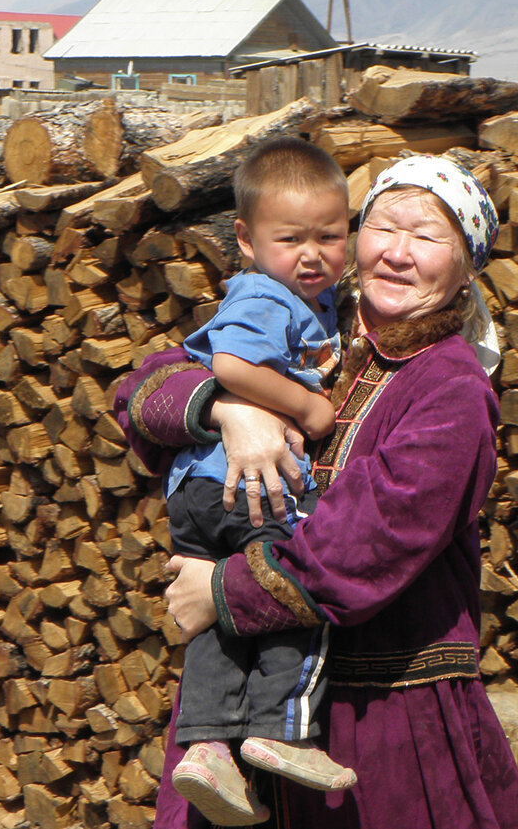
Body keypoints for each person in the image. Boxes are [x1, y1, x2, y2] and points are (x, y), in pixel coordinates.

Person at [116, 155, 518, 829]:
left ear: (465, 266)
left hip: (382, 727)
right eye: (384, 227)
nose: (398, 253)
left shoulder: (451, 388)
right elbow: (139, 393)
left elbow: (371, 540)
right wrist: (227, 409)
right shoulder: (304, 314)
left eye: (427, 237)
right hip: (237, 723)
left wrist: (221, 590)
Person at [161, 137, 357, 826]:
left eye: (330, 236)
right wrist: (309, 408)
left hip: (200, 487)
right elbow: (233, 363)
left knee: (220, 615)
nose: (312, 254)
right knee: (286, 582)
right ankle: (282, 727)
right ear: (244, 239)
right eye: (291, 237)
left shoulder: (311, 297)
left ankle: (207, 744)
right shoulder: (264, 294)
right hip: (243, 483)